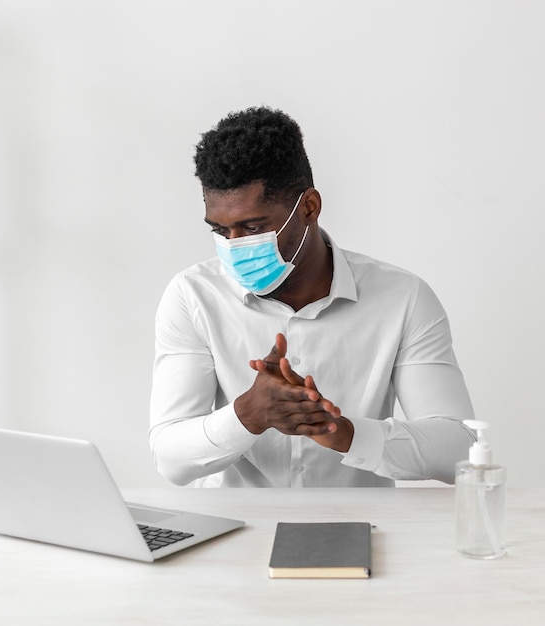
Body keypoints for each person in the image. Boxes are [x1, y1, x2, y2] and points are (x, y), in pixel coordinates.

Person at [149, 106, 475, 488]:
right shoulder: (193, 296)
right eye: (220, 231)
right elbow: (170, 459)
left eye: (253, 228)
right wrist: (248, 415)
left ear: (309, 207)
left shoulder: (403, 298)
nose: (234, 247)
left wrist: (345, 434)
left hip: (359, 529)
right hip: (237, 532)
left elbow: (460, 450)